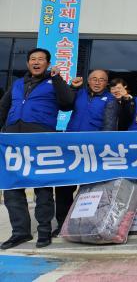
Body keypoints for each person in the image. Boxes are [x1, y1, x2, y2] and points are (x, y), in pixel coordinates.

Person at [0, 48, 74, 249]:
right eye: (33, 59)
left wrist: (57, 78)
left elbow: (67, 103)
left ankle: (44, 231)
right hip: (13, 141)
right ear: (27, 63)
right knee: (12, 187)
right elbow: (3, 107)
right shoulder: (17, 84)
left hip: (40, 141)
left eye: (41, 59)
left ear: (47, 64)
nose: (36, 62)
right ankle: (20, 232)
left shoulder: (54, 82)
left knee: (42, 187)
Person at [57, 69, 118, 237]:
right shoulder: (79, 93)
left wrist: (101, 150)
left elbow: (109, 127)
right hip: (71, 148)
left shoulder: (110, 100)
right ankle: (62, 224)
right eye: (94, 79)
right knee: (64, 187)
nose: (97, 82)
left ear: (106, 83)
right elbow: (64, 105)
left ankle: (85, 224)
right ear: (88, 81)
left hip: (92, 151)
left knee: (89, 190)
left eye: (101, 80)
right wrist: (73, 88)